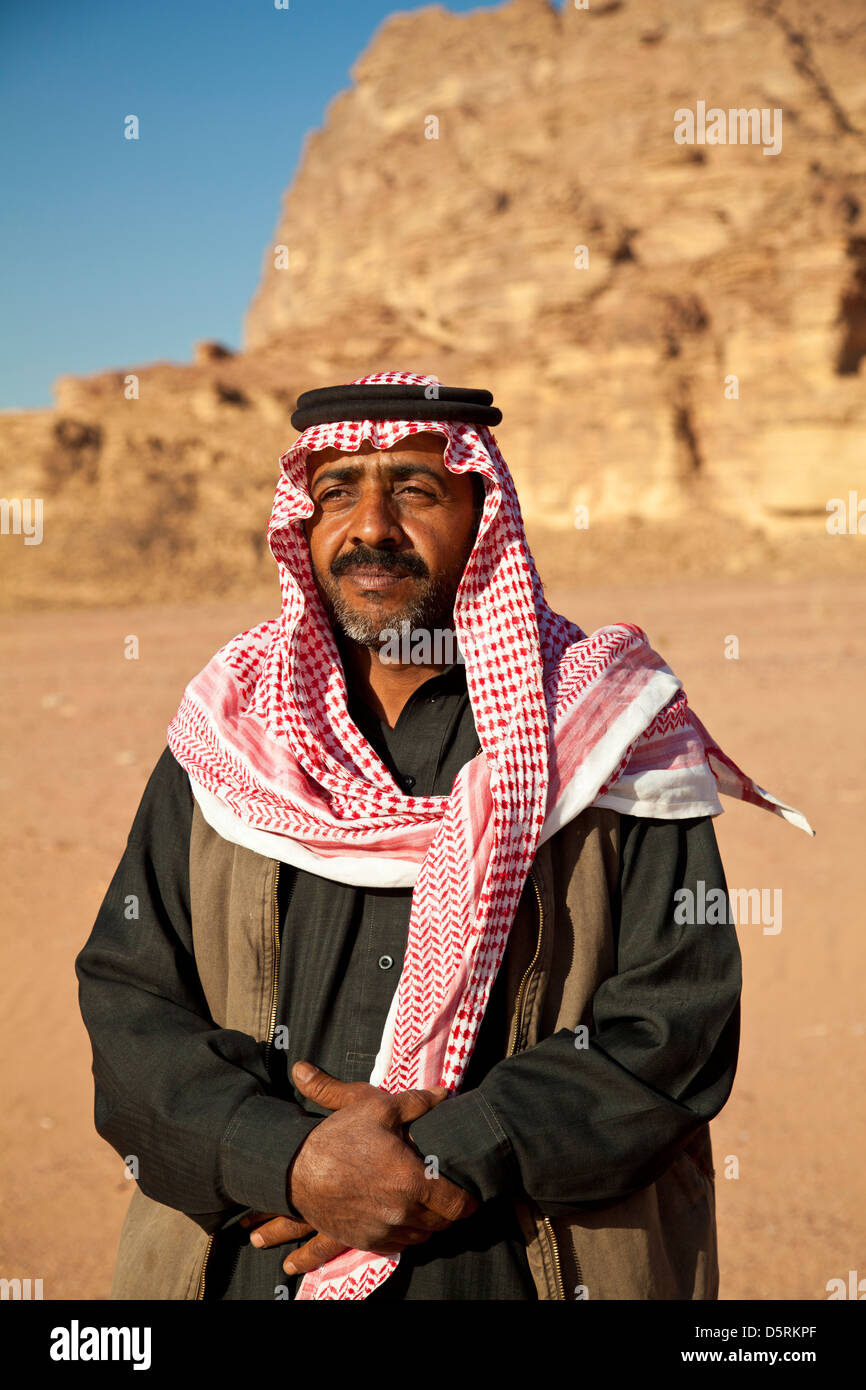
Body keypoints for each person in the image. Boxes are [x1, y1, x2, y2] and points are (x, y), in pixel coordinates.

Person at [76, 371, 812, 1301]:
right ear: (302, 523)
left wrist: (446, 1160)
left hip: (516, 1267)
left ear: (483, 513)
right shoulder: (232, 732)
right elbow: (130, 996)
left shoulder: (606, 727)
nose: (371, 526)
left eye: (416, 491)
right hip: (250, 1260)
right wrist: (286, 1159)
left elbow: (676, 1022)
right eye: (337, 490)